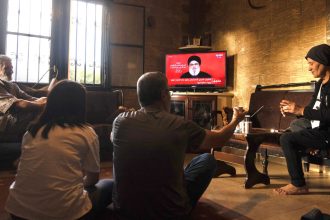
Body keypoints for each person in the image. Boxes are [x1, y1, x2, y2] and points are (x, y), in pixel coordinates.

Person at [111, 71, 246, 219]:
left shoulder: (120, 121)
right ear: (163, 94)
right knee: (207, 160)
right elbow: (219, 139)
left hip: (125, 211)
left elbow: (114, 139)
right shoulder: (180, 125)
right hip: (171, 213)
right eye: (169, 91)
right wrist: (236, 120)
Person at [5, 80, 113, 220]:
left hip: (17, 211)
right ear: (80, 105)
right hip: (64, 214)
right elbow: (92, 179)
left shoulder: (32, 131)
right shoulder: (87, 133)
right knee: (110, 185)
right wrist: (77, 185)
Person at [274, 44, 330, 195]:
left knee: (287, 139)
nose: (309, 68)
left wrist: (300, 109)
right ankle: (311, 146)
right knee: (295, 124)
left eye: (311, 63)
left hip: (327, 132)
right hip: (317, 129)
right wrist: (294, 111)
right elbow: (311, 111)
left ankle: (298, 184)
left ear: (323, 61)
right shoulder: (320, 84)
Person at [0, 55, 48, 140]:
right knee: (40, 112)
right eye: (7, 68)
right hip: (4, 125)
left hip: (15, 119)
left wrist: (48, 100)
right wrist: (43, 105)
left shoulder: (13, 86)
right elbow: (20, 104)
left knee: (43, 110)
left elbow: (31, 99)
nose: (11, 71)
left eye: (11, 68)